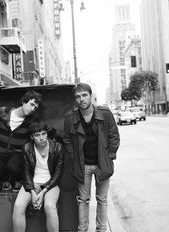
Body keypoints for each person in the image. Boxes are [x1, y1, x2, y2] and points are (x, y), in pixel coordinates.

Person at [63, 83, 120, 232]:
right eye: (77, 96)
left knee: (102, 199)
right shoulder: (70, 118)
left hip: (102, 163)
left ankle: (101, 229)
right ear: (75, 99)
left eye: (84, 95)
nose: (81, 99)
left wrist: (110, 155)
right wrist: (74, 157)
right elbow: (67, 139)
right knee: (83, 200)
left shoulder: (105, 114)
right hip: (83, 166)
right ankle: (83, 229)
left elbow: (114, 136)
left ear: (90, 95)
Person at [13, 121, 64, 232]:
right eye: (37, 135)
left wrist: (42, 192)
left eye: (44, 133)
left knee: (49, 206)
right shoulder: (27, 148)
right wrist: (32, 191)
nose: (42, 138)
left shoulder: (57, 147)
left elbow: (58, 174)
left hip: (50, 184)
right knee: (18, 206)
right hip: (31, 183)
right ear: (32, 137)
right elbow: (26, 172)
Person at [0, 90, 42, 188]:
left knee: (13, 167)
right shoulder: (2, 111)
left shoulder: (31, 121)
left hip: (17, 154)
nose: (33, 108)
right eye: (31, 104)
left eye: (35, 107)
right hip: (0, 152)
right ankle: (5, 178)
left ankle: (17, 179)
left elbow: (40, 130)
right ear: (24, 102)